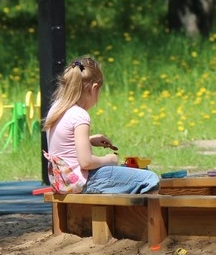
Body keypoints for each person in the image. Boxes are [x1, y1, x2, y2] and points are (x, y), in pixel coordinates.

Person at [43, 56, 159, 194]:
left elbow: (62, 145)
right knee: (150, 178)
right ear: (94, 88)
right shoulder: (80, 115)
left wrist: (89, 140)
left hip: (61, 181)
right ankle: (137, 216)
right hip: (80, 182)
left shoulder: (56, 109)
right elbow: (86, 162)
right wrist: (109, 159)